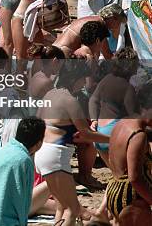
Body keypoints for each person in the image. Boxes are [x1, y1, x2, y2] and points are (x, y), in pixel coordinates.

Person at [36, 61, 111, 226]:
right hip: (56, 155)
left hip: (41, 152)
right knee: (72, 209)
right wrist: (112, 139)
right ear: (75, 79)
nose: (84, 83)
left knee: (61, 206)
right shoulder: (70, 100)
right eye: (83, 79)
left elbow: (41, 122)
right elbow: (86, 134)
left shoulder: (50, 94)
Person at [104, 116, 152, 226]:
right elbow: (135, 178)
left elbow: (112, 160)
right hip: (131, 197)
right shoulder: (138, 135)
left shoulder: (120, 124)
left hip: (115, 190)